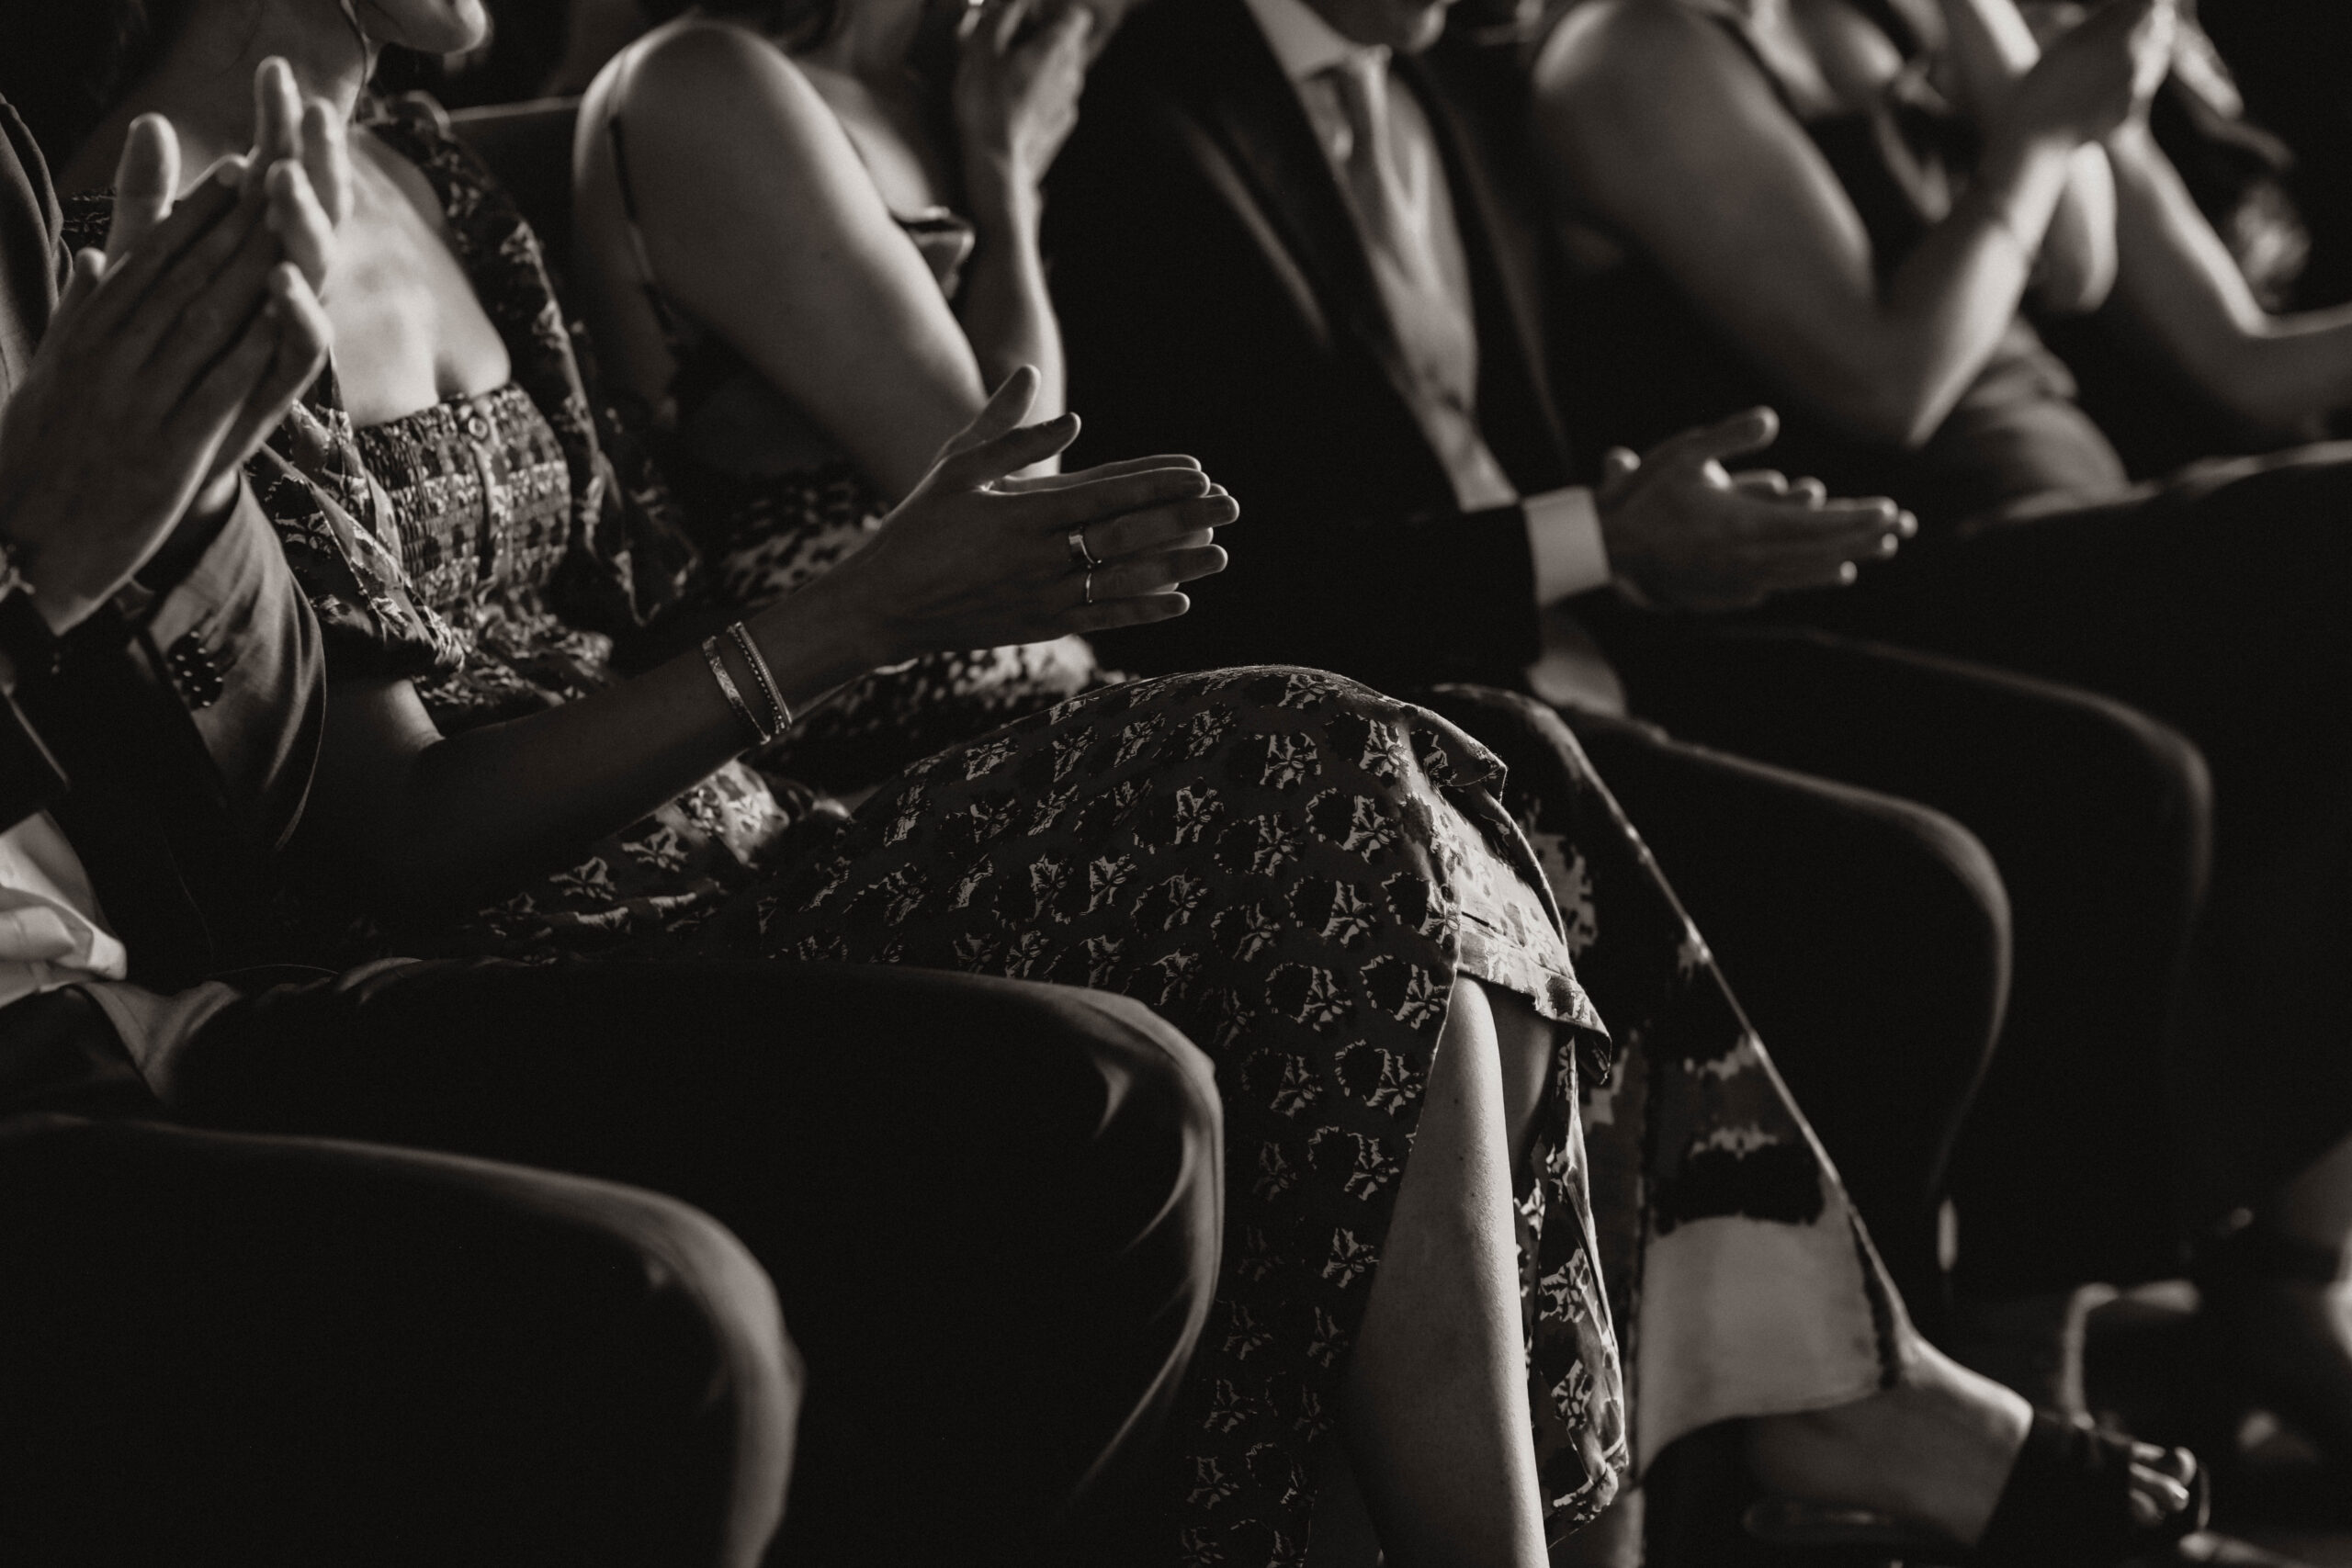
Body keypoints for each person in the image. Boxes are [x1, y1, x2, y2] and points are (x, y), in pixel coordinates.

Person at [38, 4, 2211, 1563]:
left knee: (1412, 767)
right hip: (566, 918)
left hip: (775, 811)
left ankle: (1642, 1482)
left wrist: (858, 627)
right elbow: (374, 841)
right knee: (1307, 762)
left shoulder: (437, 182)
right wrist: (845, 627)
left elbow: (701, 584)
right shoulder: (171, 253)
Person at [0, 68, 1223, 1568]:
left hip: (141, 994)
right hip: (169, 1009)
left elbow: (256, 739)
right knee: (672, 1313)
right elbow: (358, 826)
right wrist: (42, 577)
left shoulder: (63, 204)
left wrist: (190, 522)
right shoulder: (96, 203)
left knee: (1119, 1098)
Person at [1042, 0, 2212, 1411]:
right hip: (1401, 705)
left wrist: (1671, 540)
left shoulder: (1446, 90)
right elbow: (1230, 576)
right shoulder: (1149, 114)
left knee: (2114, 781)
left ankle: (2030, 1360)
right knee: (1916, 895)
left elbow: (1505, 430)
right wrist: (1597, 538)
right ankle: (1844, 1423)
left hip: (1597, 628)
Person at [1528, 0, 2352, 1470]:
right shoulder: (1641, 56)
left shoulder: (1920, 24)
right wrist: (2031, 136)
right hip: (1897, 563)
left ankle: (2274, 1259)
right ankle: (2181, 1287)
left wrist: (1997, 62)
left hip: (2078, 538)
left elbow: (2096, 269)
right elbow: (1884, 383)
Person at [571, 0, 1124, 792]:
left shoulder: (942, 85)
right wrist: (1004, 182)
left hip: (1037, 701)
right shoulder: (701, 78)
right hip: (856, 744)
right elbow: (1014, 501)